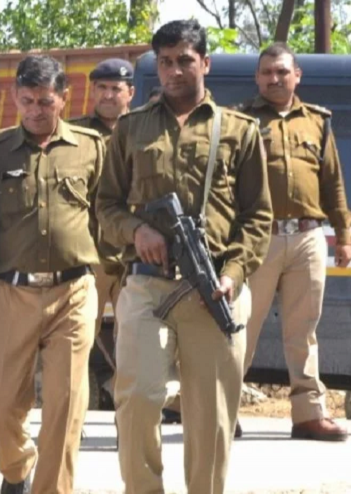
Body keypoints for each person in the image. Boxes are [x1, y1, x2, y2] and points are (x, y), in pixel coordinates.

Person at [97, 20, 273, 494]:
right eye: (166, 62)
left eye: (185, 61)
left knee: (211, 415)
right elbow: (106, 205)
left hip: (213, 290)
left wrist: (233, 273)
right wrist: (137, 231)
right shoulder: (131, 128)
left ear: (205, 63)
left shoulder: (238, 129)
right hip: (147, 285)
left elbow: (258, 217)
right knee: (137, 398)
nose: (174, 71)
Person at [0, 55, 102, 494]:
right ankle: (16, 469)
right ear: (15, 97)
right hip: (12, 292)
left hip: (74, 291)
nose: (35, 110)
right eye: (27, 100)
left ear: (64, 98)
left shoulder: (91, 147)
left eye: (46, 101)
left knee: (66, 406)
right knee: (3, 404)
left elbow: (106, 213)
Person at [238, 42, 350, 442]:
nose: (274, 78)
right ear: (257, 78)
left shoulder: (318, 122)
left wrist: (344, 236)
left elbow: (333, 183)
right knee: (240, 328)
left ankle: (308, 415)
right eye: (267, 72)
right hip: (258, 240)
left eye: (282, 71)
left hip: (307, 238)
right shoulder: (242, 121)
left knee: (304, 331)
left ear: (297, 76)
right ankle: (222, 410)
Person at [68, 58, 135, 407]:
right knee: (77, 341)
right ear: (92, 91)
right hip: (90, 255)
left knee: (135, 344)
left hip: (133, 255)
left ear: (130, 93)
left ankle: (129, 418)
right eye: (102, 88)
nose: (108, 95)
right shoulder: (74, 134)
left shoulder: (144, 130)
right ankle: (72, 419)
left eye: (116, 89)